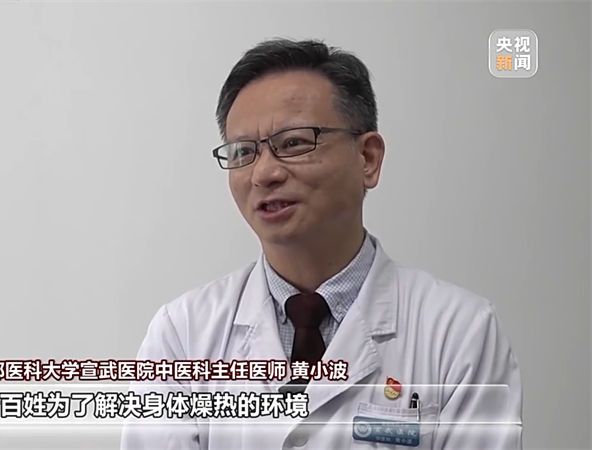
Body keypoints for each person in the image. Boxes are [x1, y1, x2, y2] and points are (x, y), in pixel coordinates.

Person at [120, 38, 522, 450]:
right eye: (243, 152)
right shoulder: (184, 335)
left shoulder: (459, 331)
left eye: (294, 142)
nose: (264, 173)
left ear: (368, 158)